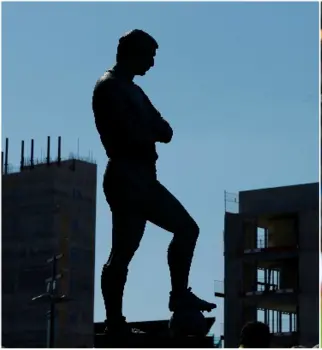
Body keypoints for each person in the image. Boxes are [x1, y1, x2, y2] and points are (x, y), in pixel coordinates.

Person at [92, 29, 215, 334]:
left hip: (143, 176)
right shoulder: (110, 87)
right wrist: (148, 129)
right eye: (150, 56)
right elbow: (130, 135)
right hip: (126, 175)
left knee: (185, 230)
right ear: (133, 53)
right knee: (124, 250)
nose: (152, 64)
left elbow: (166, 131)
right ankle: (115, 322)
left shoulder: (133, 90)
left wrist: (148, 128)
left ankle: (177, 293)